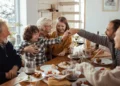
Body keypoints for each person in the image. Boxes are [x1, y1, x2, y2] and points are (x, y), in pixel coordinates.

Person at [0, 18, 22, 84]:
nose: (9, 33)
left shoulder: (7, 44)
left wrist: (15, 68)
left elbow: (17, 58)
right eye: (6, 31)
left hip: (13, 79)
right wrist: (6, 75)